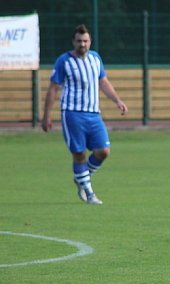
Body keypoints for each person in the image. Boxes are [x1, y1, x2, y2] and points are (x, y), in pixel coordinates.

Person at [41, 24, 127, 205]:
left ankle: (81, 177)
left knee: (103, 151)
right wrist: (46, 116)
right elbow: (53, 89)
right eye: (79, 41)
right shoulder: (64, 61)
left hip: (94, 114)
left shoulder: (95, 58)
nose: (82, 44)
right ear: (73, 41)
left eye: (85, 41)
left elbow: (103, 82)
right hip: (72, 113)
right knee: (79, 154)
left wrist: (117, 100)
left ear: (90, 42)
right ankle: (88, 193)